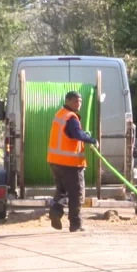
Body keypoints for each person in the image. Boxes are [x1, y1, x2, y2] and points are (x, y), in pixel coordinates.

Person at [46, 91, 98, 232]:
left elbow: (69, 134)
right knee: (76, 194)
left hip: (55, 161)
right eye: (75, 101)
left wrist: (83, 135)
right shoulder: (71, 117)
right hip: (70, 164)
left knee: (62, 191)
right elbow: (75, 134)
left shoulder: (60, 114)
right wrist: (92, 140)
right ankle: (76, 224)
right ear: (67, 101)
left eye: (80, 101)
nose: (78, 104)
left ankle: (55, 211)